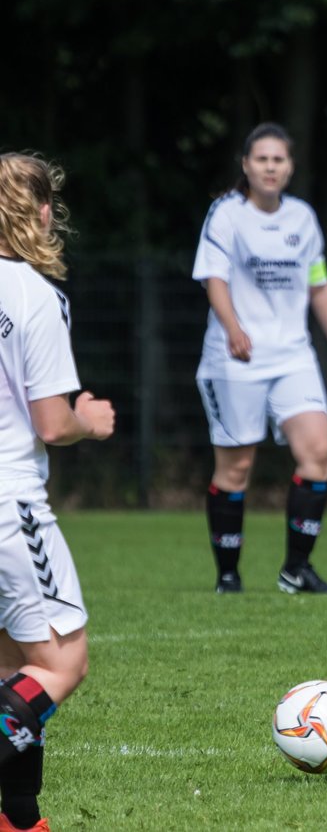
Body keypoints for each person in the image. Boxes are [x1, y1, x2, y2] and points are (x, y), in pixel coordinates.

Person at [0, 153, 116, 832]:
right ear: (45, 213)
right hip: (11, 503)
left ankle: (19, 819)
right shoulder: (34, 295)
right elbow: (52, 421)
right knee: (63, 664)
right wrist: (91, 422)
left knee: (16, 665)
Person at [193, 123, 327, 595]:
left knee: (317, 453)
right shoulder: (225, 214)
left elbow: (319, 284)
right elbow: (213, 277)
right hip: (235, 357)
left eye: (279, 159)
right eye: (261, 159)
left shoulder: (302, 218)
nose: (270, 167)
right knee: (237, 467)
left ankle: (296, 570)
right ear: (246, 165)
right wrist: (233, 328)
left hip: (292, 355)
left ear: (290, 167)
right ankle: (228, 575)